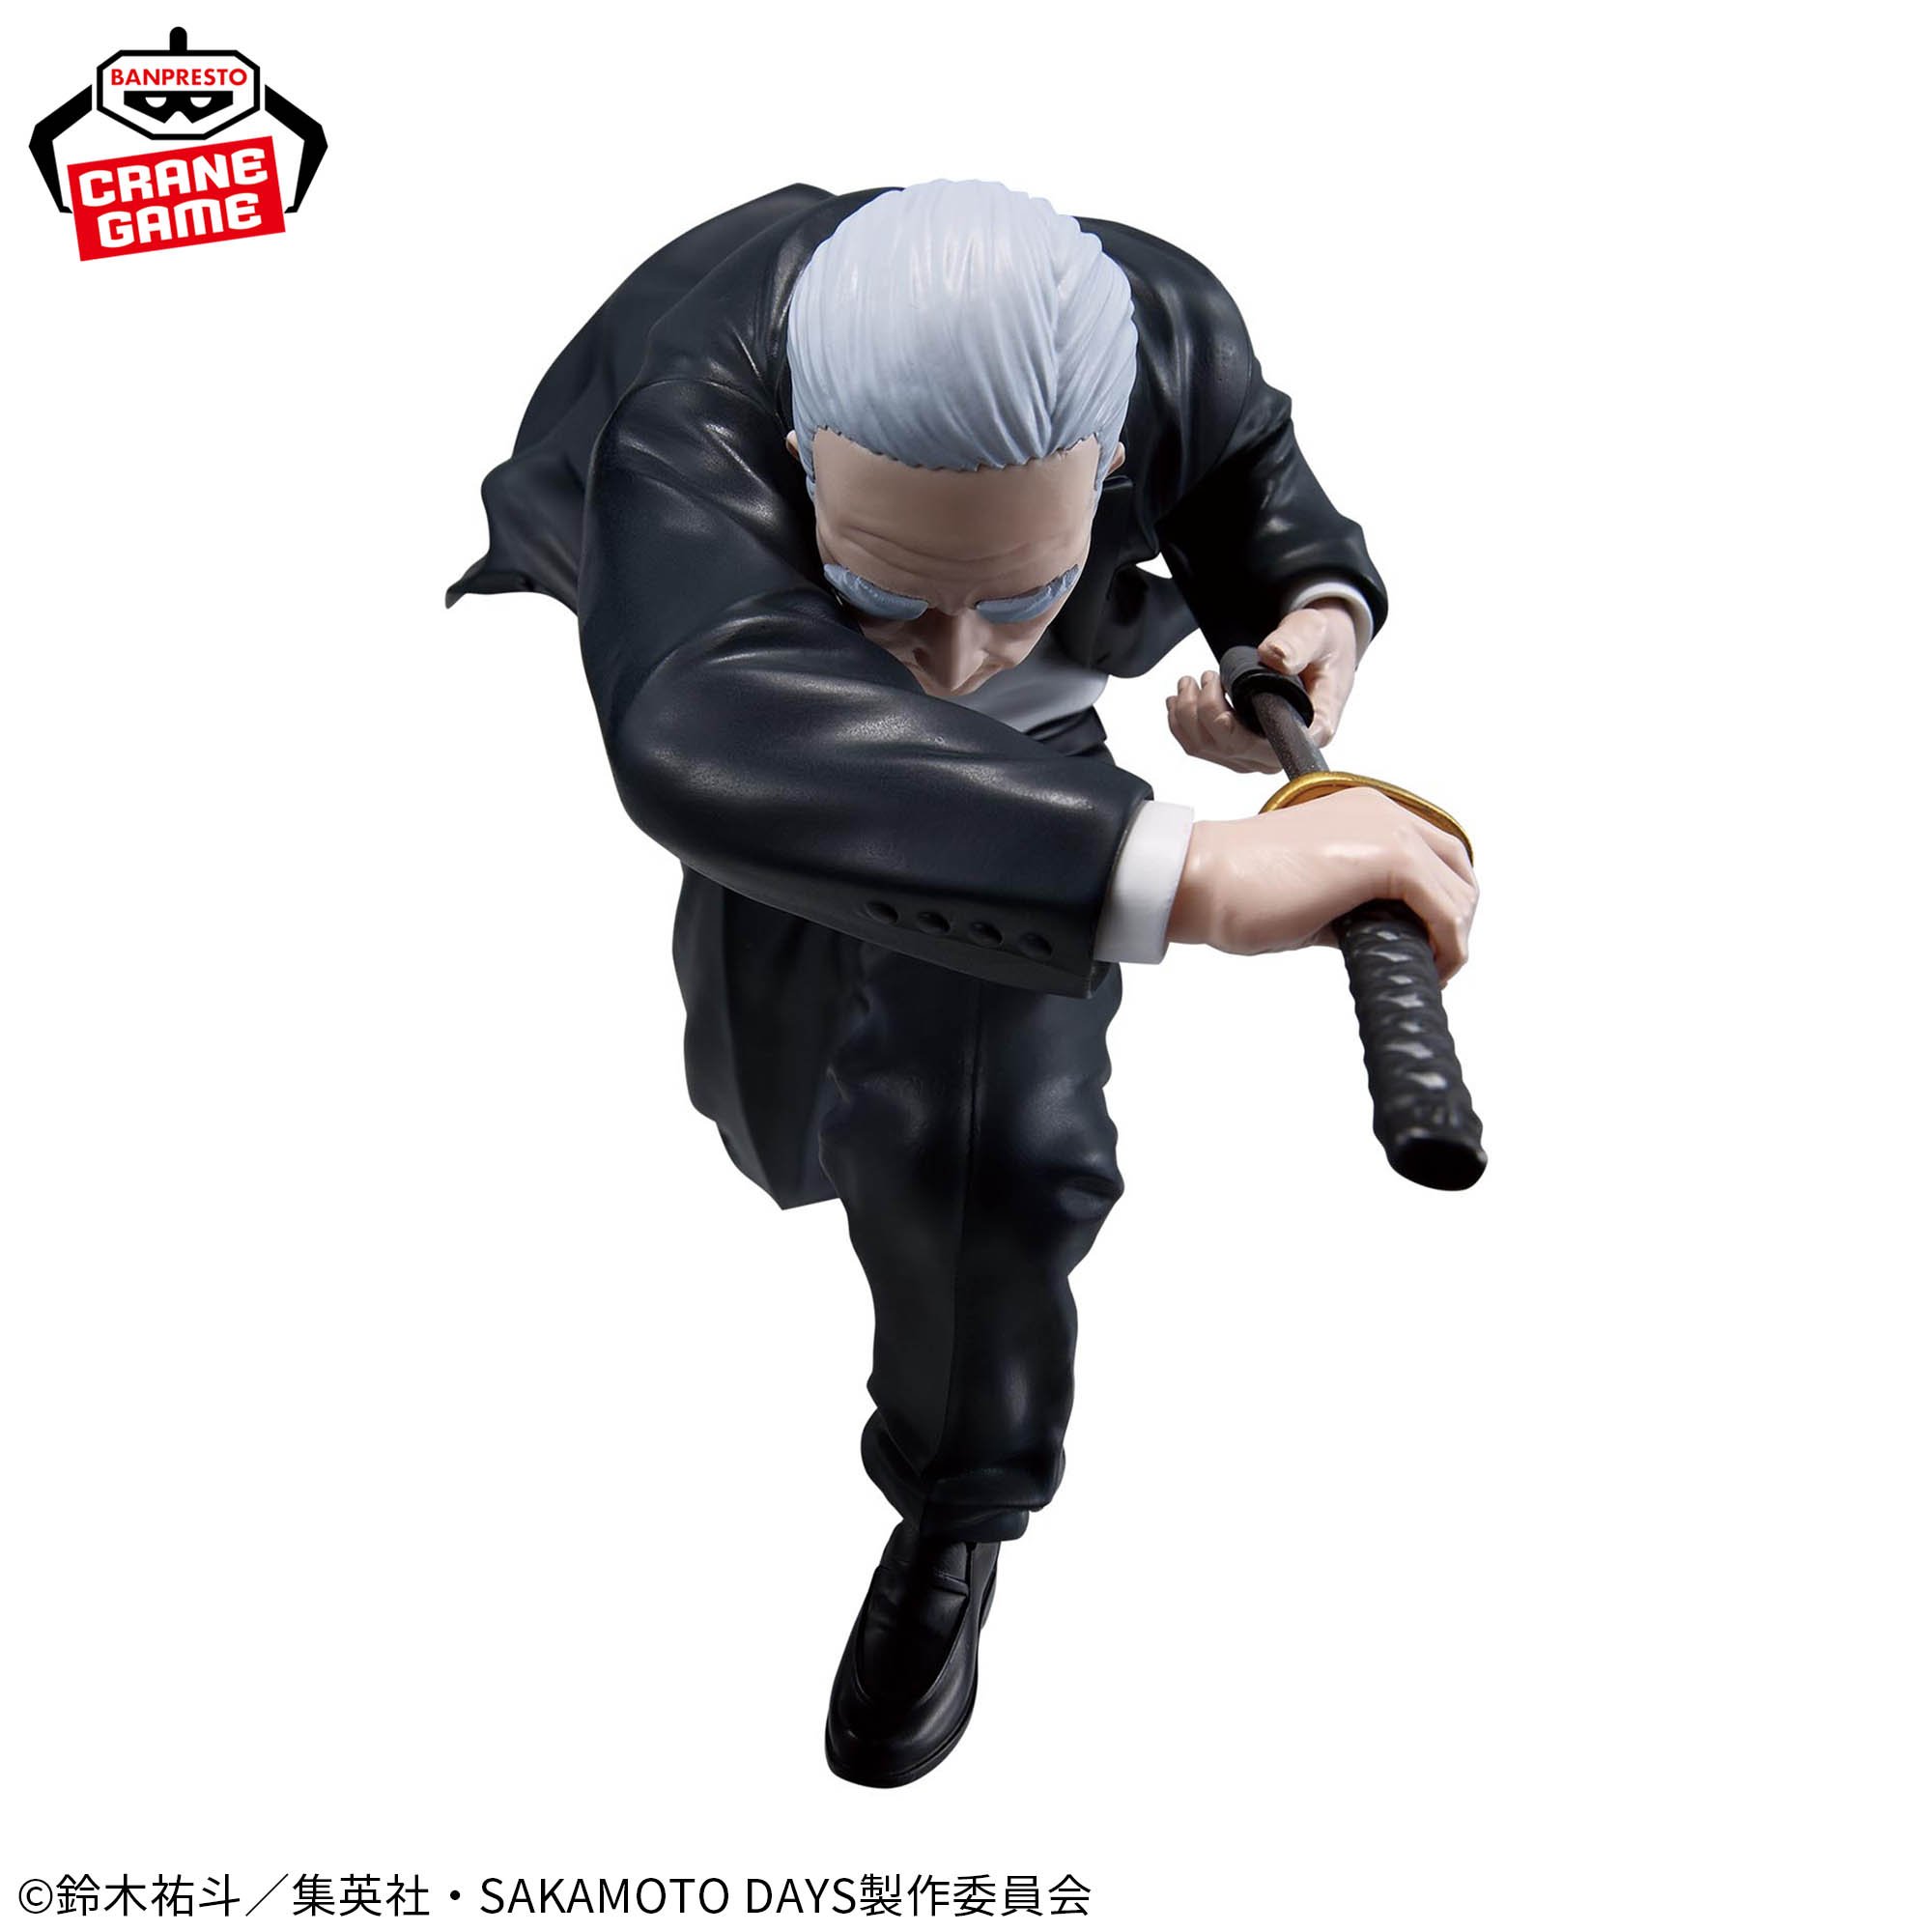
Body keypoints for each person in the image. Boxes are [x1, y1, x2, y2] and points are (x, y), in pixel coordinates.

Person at [449, 179, 1477, 1787]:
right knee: (774, 1122)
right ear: (799, 460)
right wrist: (1208, 874)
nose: (948, 665)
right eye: (884, 587)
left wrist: (1310, 620)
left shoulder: (1167, 339)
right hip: (806, 768)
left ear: (1108, 463)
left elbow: (1253, 487)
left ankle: (958, 1503)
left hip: (1048, 779)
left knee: (986, 1155)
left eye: (1013, 593)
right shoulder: (692, 413)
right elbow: (698, 718)